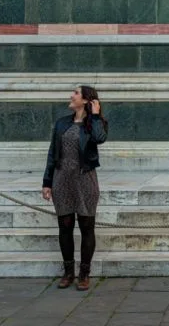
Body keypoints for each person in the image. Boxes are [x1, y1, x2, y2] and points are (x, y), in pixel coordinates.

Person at [42, 85, 108, 291]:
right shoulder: (62, 123)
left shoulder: (96, 124)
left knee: (87, 226)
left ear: (86, 100)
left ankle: (84, 274)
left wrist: (95, 116)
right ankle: (68, 272)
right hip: (62, 180)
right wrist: (47, 182)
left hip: (85, 179)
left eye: (76, 93)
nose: (71, 95)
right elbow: (53, 153)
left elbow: (99, 139)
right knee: (65, 225)